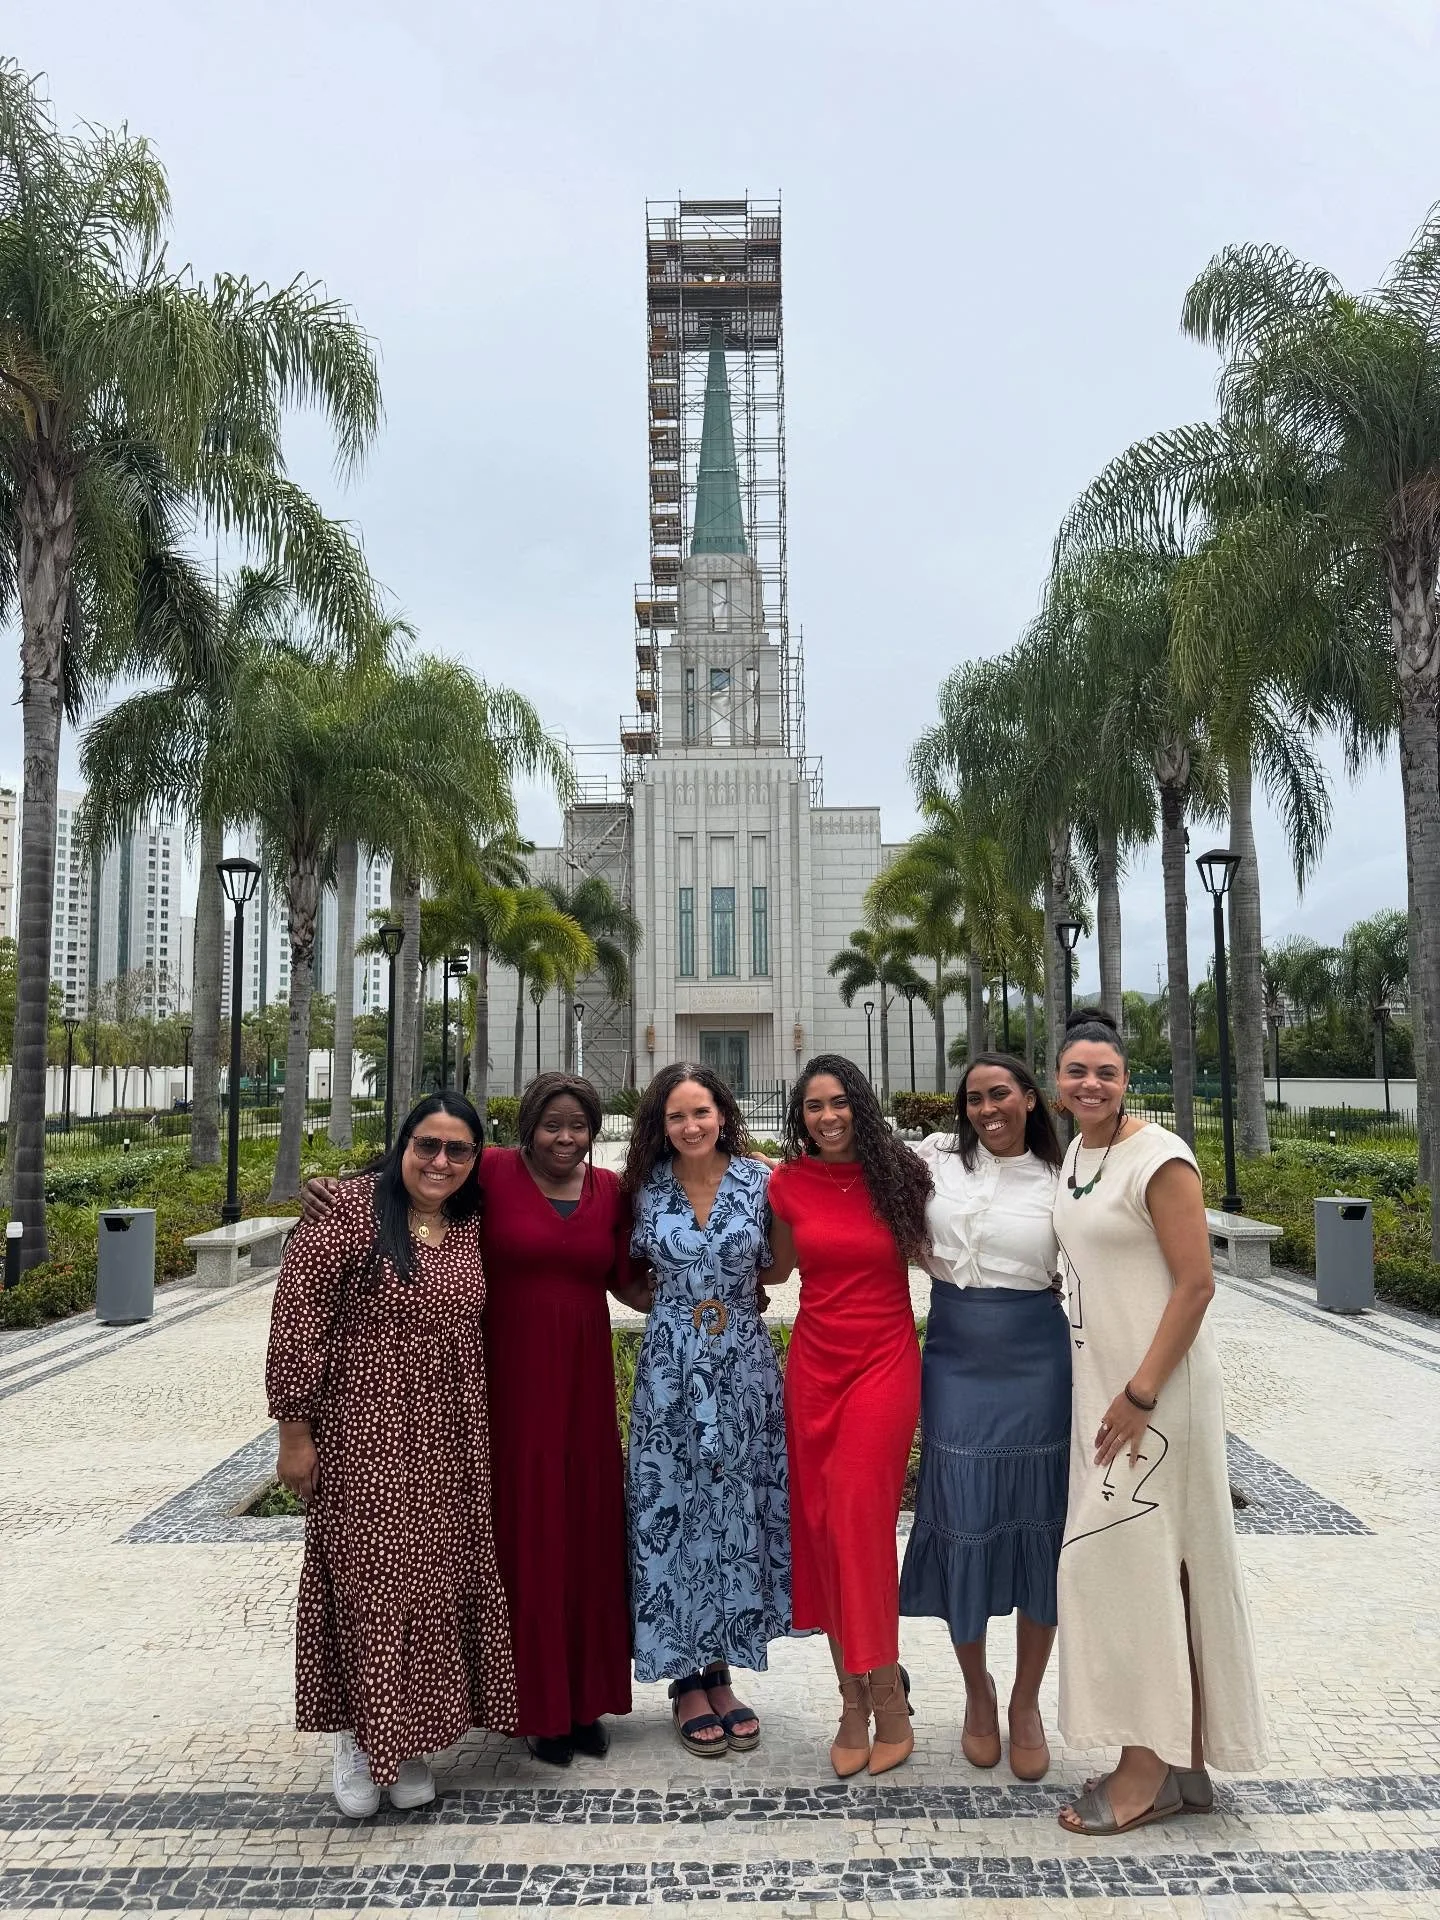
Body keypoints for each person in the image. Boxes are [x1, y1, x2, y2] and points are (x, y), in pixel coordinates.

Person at [299, 1074, 646, 1771]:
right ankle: (536, 1707)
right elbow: (422, 1164)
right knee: (524, 1538)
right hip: (505, 1387)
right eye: (552, 1123)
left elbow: (628, 1280)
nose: (566, 1136)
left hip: (583, 1387)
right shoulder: (490, 1171)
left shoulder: (609, 1193)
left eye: (579, 1123)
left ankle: (584, 1699)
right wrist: (333, 1185)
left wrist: (715, 1282)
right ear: (526, 1126)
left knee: (585, 1533)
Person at [267, 1093, 516, 1818]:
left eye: (458, 1150)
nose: (440, 1161)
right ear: (401, 1143)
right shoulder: (345, 1213)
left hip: (448, 1437)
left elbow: (545, 1162)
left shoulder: (469, 1222)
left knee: (431, 1584)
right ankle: (356, 1736)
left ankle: (404, 1741)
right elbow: (296, 1325)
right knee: (369, 1582)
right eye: (426, 1145)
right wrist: (294, 1433)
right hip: (364, 1433)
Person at [1051, 1008, 1267, 1836]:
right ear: (1059, 1078)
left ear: (1125, 1077)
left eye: (1105, 1071)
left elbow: (1196, 1284)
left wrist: (1140, 1391)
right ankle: (1184, 1760)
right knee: (1145, 1566)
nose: (1091, 1084)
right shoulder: (1077, 1153)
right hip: (1104, 1384)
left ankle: (1145, 1767)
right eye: (1077, 1071)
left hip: (1155, 1393)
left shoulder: (1160, 1156)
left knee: (1131, 1563)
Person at [898, 1054, 1069, 1783]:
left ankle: (1026, 1701)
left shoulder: (1063, 1177)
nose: (987, 1107)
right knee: (962, 1518)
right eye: (974, 1097)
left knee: (1038, 1522)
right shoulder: (935, 1158)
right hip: (955, 1352)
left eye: (1001, 1093)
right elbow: (851, 1164)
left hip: (1037, 1361)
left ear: (1030, 1098)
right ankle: (977, 1692)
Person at [765, 1053, 932, 1778]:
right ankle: (850, 1699)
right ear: (799, 1116)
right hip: (814, 1369)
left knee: (861, 1523)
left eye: (838, 1103)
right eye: (813, 1107)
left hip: (885, 1364)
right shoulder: (787, 1184)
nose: (827, 1117)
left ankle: (889, 1699)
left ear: (859, 1105)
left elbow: (955, 1244)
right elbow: (773, 1270)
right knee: (825, 1529)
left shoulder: (903, 1175)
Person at [621, 1062, 790, 1756]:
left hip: (743, 1368)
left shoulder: (763, 1180)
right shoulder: (640, 1189)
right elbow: (625, 1272)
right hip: (668, 1371)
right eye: (676, 1117)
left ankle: (720, 1667)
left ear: (723, 1112)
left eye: (702, 1112)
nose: (691, 1127)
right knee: (671, 1512)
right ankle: (684, 1678)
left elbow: (777, 1267)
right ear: (661, 1126)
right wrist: (677, 1312)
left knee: (731, 1511)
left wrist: (728, 1306)